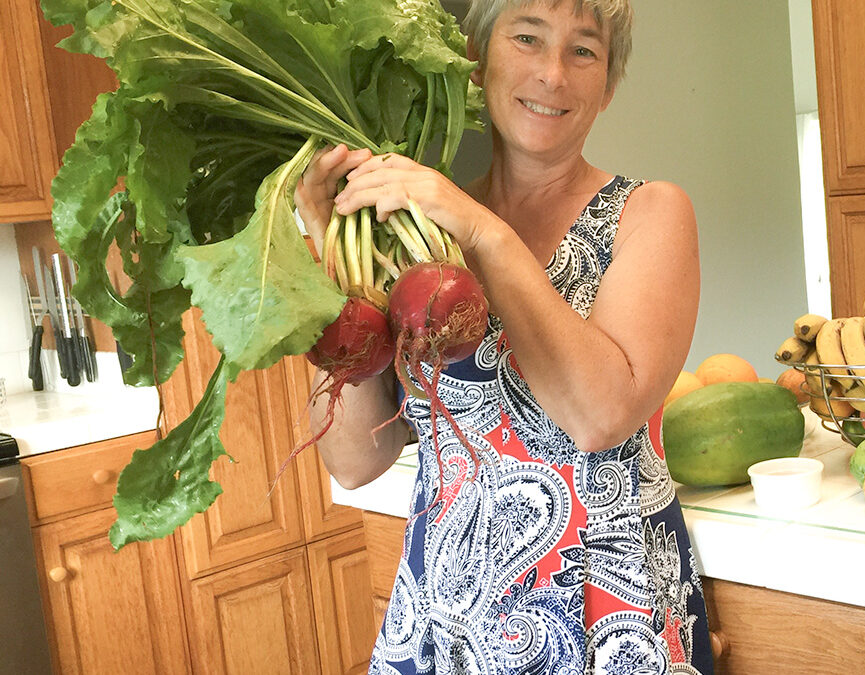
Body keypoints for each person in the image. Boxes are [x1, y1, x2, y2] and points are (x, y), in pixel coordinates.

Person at [294, 0, 711, 672]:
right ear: (475, 57)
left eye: (583, 50)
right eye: (527, 38)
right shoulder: (419, 237)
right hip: (448, 612)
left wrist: (484, 232)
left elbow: (600, 415)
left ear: (607, 86)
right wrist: (331, 264)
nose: (553, 73)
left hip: (609, 607)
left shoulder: (650, 213)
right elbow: (353, 460)